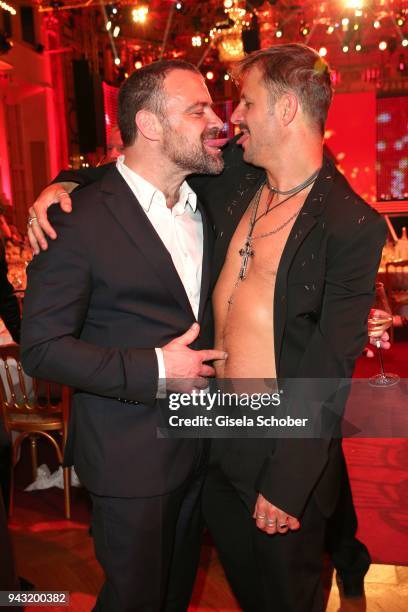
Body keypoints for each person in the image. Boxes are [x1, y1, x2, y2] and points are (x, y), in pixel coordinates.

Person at [27, 46, 387, 610]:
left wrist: (288, 481)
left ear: (288, 109)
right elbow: (135, 171)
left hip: (278, 442)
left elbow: (329, 366)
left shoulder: (350, 222)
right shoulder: (232, 182)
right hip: (205, 442)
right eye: (211, 108)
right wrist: (65, 182)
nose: (230, 117)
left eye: (245, 101)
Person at [21, 60, 227, 612]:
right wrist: (159, 369)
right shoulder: (75, 220)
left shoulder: (208, 202)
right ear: (151, 125)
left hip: (201, 448)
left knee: (175, 597)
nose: (216, 120)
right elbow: (41, 348)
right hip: (129, 460)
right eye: (198, 109)